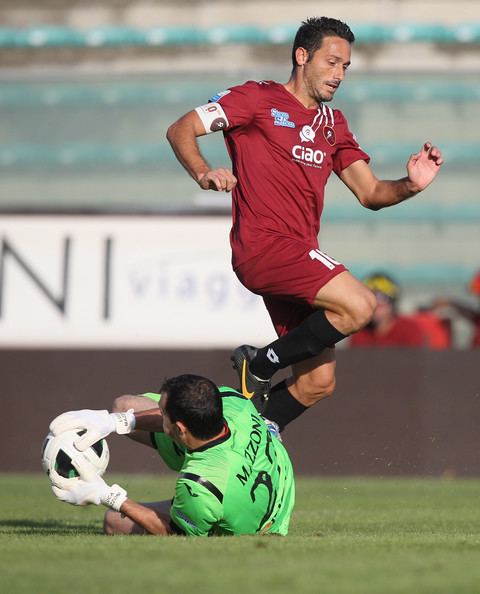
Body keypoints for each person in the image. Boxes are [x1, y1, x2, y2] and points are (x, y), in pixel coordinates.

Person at [166, 17, 444, 432]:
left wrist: (410, 185)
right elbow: (181, 129)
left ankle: (238, 436)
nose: (338, 74)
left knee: (317, 383)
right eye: (332, 62)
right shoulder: (256, 99)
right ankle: (258, 364)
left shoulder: (333, 125)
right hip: (264, 246)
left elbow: (370, 193)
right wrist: (204, 172)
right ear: (302, 56)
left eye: (346, 67)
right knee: (361, 304)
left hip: (296, 256)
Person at [48, 374, 295, 536]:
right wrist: (116, 421)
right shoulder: (233, 402)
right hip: (263, 469)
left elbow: (172, 532)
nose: (158, 412)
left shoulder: (200, 487)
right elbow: (148, 416)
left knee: (114, 522)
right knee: (124, 406)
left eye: (162, 412)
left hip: (261, 520)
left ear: (179, 429)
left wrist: (108, 495)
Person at [349, 272, 426, 348]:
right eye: (370, 298)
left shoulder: (409, 330)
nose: (376, 304)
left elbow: (416, 359)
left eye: (382, 298)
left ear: (393, 303)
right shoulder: (359, 333)